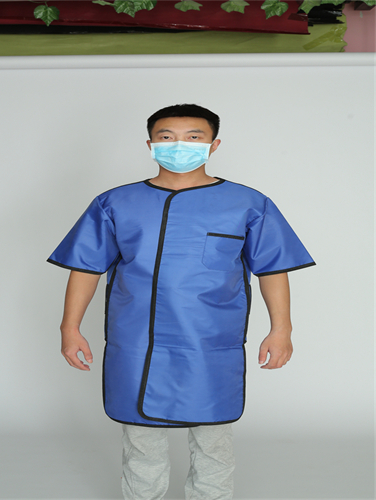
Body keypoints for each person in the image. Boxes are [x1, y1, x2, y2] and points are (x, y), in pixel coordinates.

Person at [47, 104, 315, 500]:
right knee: (141, 442)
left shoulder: (247, 204)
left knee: (213, 441)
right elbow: (86, 268)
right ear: (151, 144)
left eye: (193, 137)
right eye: (167, 137)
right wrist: (69, 327)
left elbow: (273, 269)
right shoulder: (115, 203)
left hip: (209, 342)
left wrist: (282, 330)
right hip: (137, 341)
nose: (179, 145)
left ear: (213, 144)